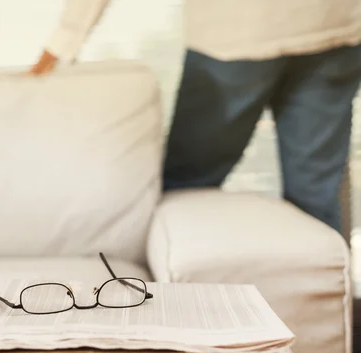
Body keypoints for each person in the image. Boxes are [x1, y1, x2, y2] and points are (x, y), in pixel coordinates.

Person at [29, 0, 361, 234]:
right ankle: (325, 326)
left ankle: (172, 315)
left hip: (239, 30)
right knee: (317, 194)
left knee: (188, 186)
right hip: (337, 25)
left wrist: (62, 42)